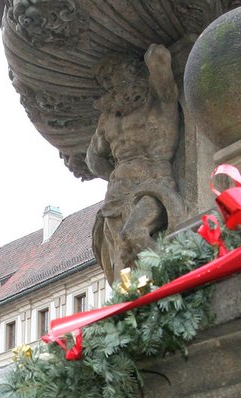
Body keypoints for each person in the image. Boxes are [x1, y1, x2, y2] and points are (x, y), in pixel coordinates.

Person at [86, 43, 186, 283]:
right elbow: (93, 158)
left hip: (154, 182)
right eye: (107, 82)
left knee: (134, 234)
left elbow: (162, 68)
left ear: (135, 74)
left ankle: (171, 282)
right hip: (117, 193)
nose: (113, 84)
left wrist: (155, 57)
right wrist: (116, 173)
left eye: (117, 76)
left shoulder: (159, 99)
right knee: (120, 257)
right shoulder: (108, 119)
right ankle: (132, 303)